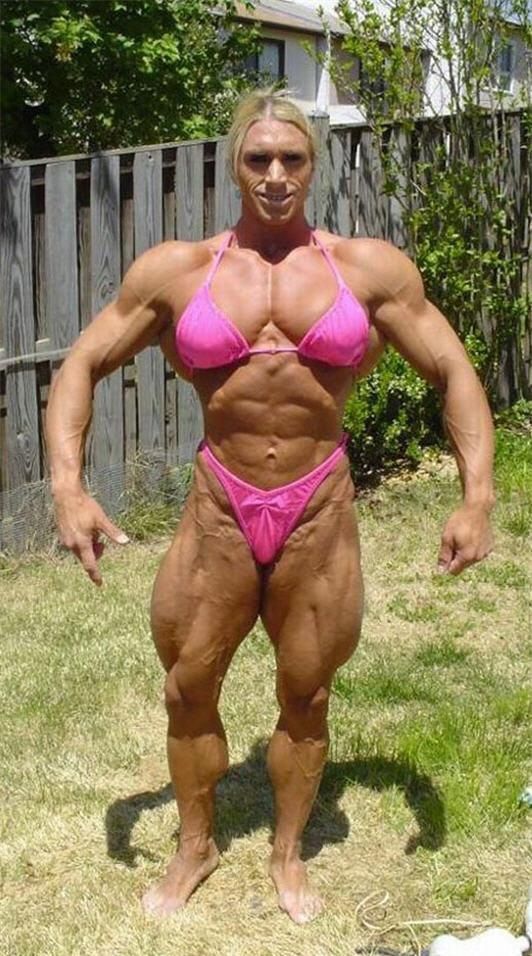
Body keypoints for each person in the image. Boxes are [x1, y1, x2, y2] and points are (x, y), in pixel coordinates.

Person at [46, 89, 495, 924]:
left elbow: (452, 368)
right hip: (220, 501)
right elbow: (81, 363)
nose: (276, 175)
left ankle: (287, 853)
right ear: (235, 167)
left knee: (307, 693)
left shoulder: (368, 269)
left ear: (313, 167)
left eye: (293, 159)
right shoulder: (179, 270)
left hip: (318, 506)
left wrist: (477, 496)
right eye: (259, 159)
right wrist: (68, 487)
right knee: (187, 686)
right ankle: (196, 845)